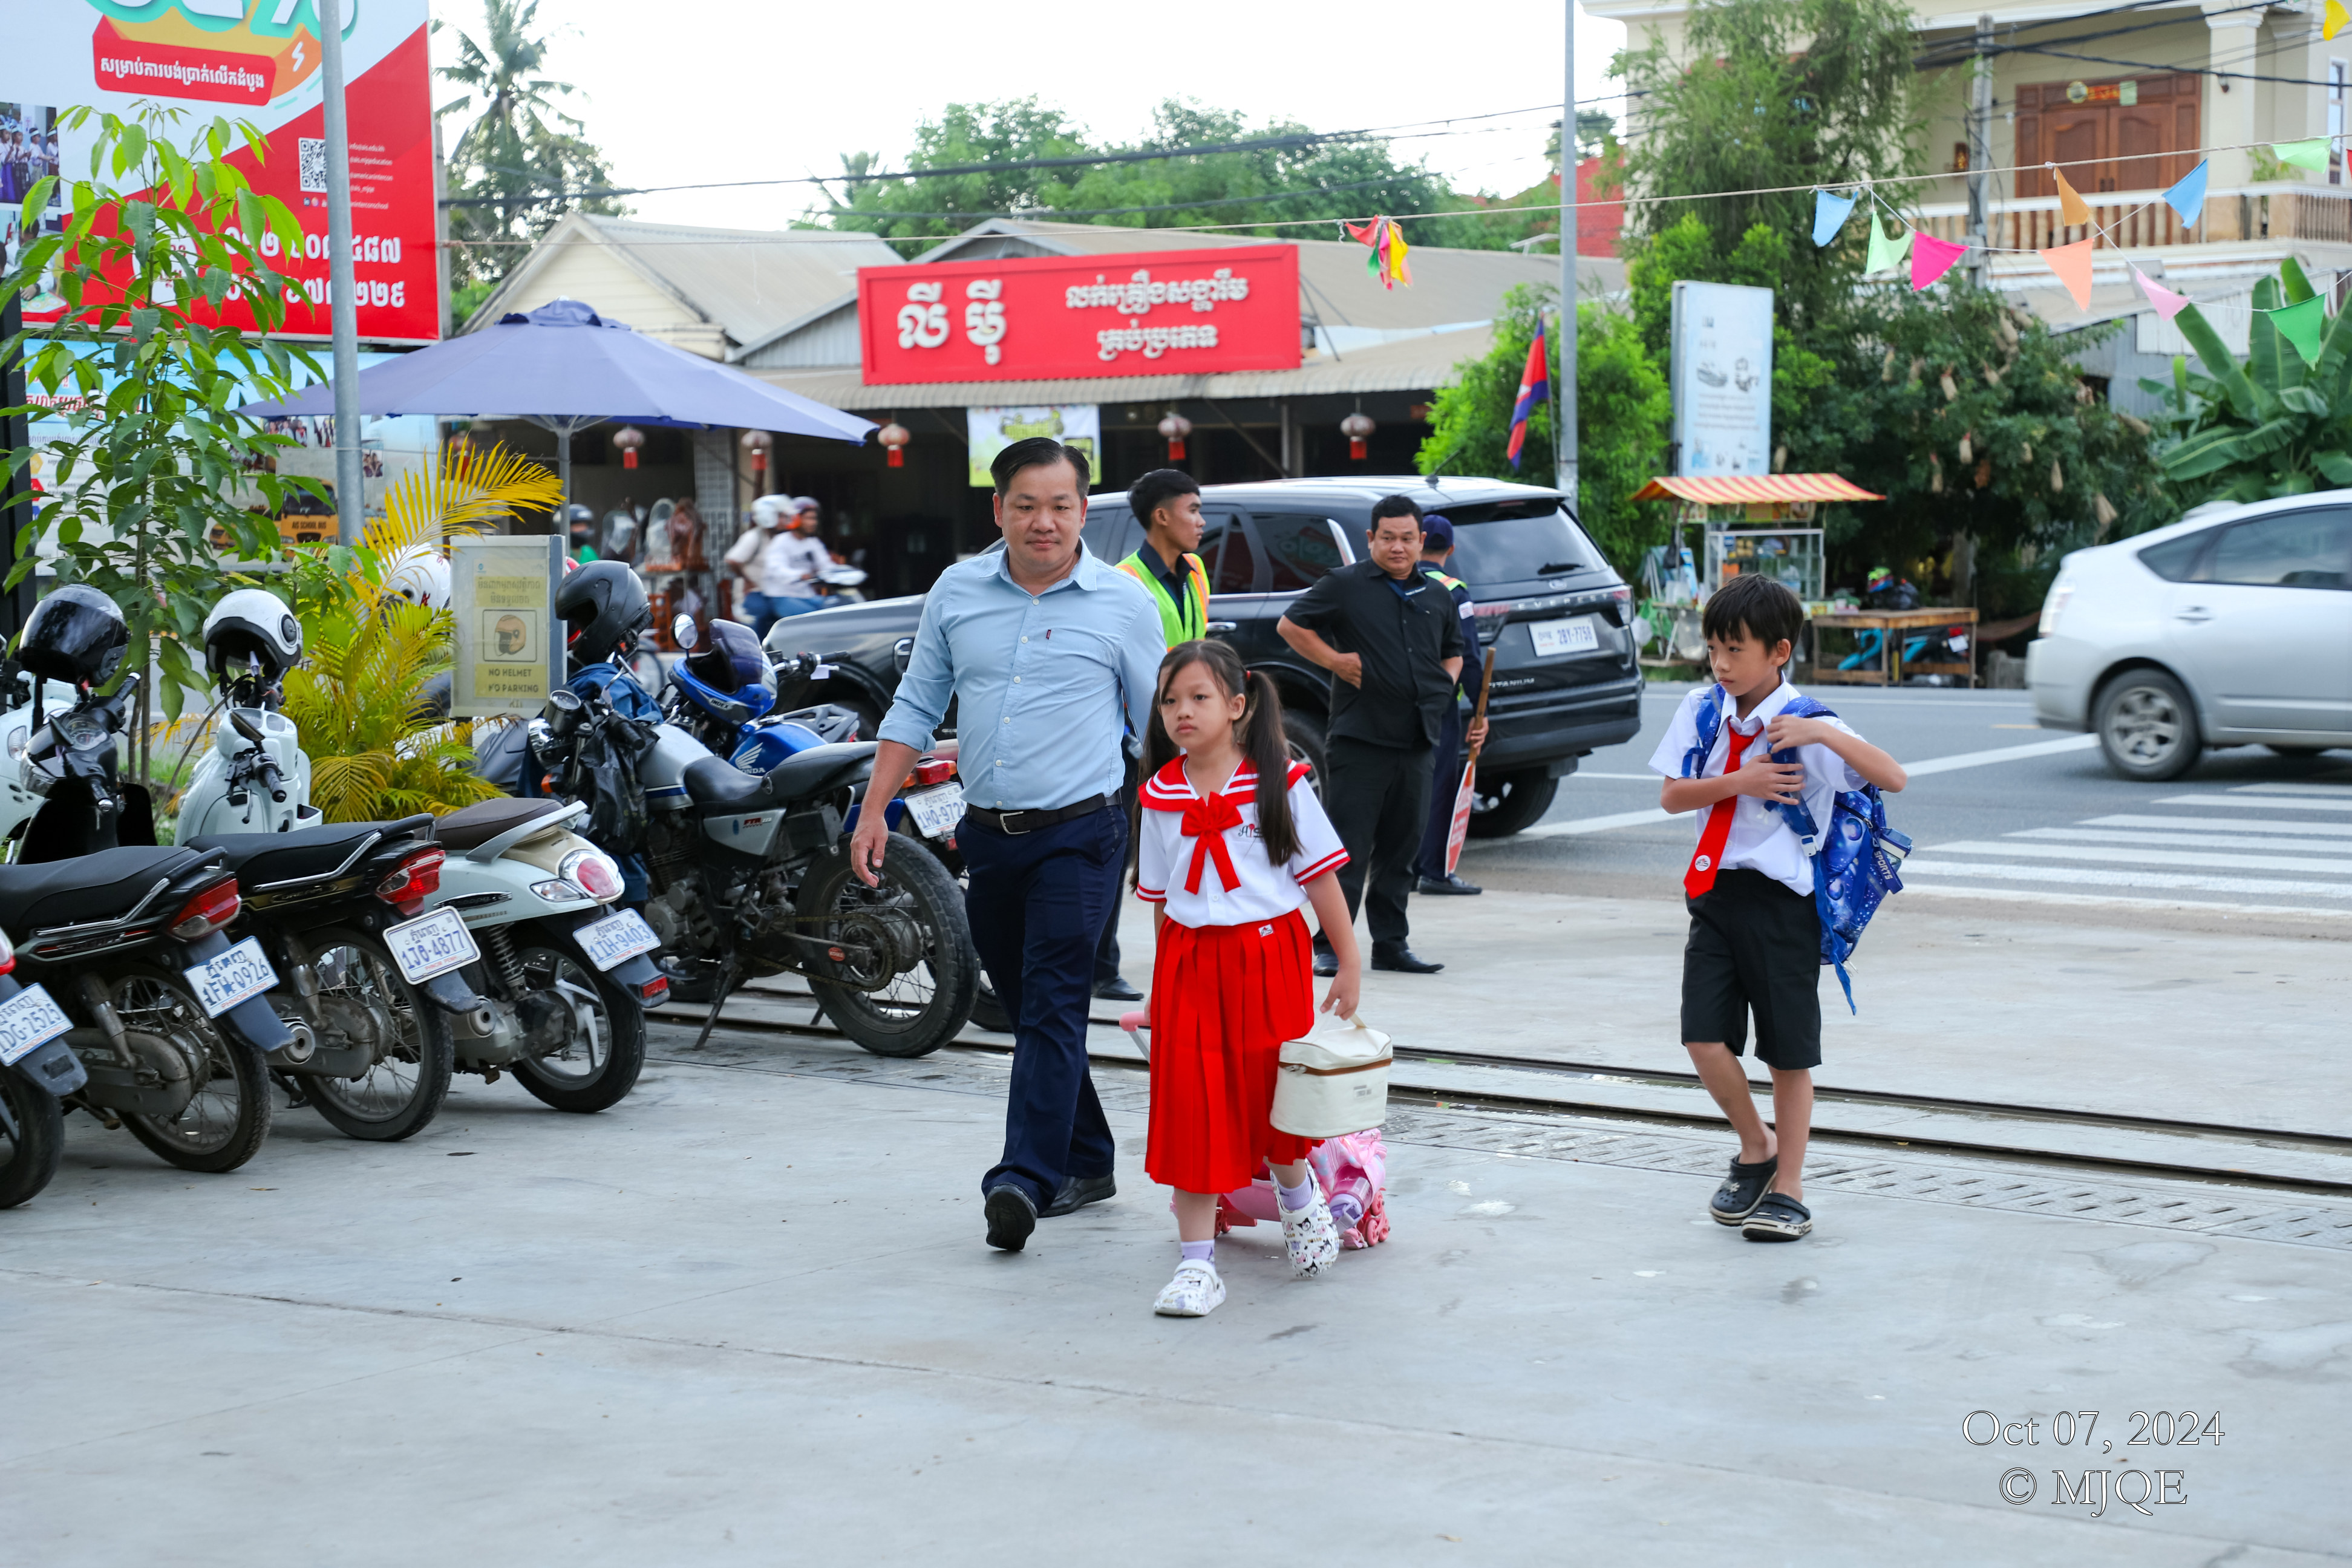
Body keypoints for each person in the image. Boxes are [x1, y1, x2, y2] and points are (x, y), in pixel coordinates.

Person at [849, 437, 1165, 1253]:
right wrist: (874, 810)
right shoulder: (958, 591)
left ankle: (1021, 1178)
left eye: (1061, 506)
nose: (1044, 522)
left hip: (1084, 835)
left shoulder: (1123, 605)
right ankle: (1089, 1159)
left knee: (1055, 997)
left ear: (1084, 513)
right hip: (986, 837)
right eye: (1026, 505)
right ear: (999, 511)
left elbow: (1160, 726)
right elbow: (916, 707)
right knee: (1028, 1011)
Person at [1648, 573, 1906, 1244]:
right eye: (1714, 649)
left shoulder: (1807, 725)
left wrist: (1824, 736)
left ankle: (1790, 1187)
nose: (1723, 664)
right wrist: (1743, 780)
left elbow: (1892, 776)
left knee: (1788, 1055)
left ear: (1779, 651)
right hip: (1713, 895)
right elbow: (1675, 797)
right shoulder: (1704, 710)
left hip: (1785, 905)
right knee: (1702, 1038)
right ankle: (1755, 1146)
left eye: (1736, 650)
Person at [1134, 638, 1361, 1317]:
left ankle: (1299, 1199)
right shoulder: (1158, 794)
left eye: (1199, 697)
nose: (1183, 711)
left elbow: (1320, 876)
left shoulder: (1280, 782)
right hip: (1188, 961)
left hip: (1270, 956)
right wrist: (1159, 985)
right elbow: (1159, 897)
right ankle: (1197, 1267)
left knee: (1274, 1096)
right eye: (1170, 700)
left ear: (1237, 705)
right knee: (1192, 1107)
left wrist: (1349, 960)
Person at [1276, 495, 1483, 977]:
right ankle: (1330, 942)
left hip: (1417, 740)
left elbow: (1454, 651)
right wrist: (1335, 661)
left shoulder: (1435, 595)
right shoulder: (1345, 586)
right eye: (1388, 538)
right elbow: (1291, 625)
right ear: (1371, 539)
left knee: (1402, 848)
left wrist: (1442, 687)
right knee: (1349, 848)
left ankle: (1391, 943)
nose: (1398, 547)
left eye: (1407, 538)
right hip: (1360, 740)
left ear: (1421, 542)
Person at [1093, 466, 1210, 1004]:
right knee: (1119, 851)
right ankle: (1100, 965)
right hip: (1131, 738)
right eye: (1193, 510)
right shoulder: (1124, 581)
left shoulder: (1197, 573)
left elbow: (1199, 652)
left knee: (1187, 848)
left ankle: (1191, 955)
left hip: (1186, 734)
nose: (1201, 522)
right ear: (1161, 516)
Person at [1412, 514, 1486, 897]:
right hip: (1440, 706)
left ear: (1417, 540)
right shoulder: (1454, 590)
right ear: (1451, 549)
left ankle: (1404, 868)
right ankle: (1435, 872)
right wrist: (1481, 710)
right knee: (1440, 787)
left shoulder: (1400, 582)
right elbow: (1469, 657)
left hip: (1398, 702)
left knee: (1405, 785)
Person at [763, 497, 834, 620]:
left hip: (807, 595)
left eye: (815, 519)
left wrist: (843, 572)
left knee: (835, 609)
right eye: (809, 519)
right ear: (795, 519)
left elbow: (826, 565)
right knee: (814, 618)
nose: (814, 523)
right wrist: (800, 575)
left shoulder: (813, 543)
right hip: (783, 596)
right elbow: (776, 568)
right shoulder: (781, 542)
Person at [724, 495, 786, 632]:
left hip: (772, 596)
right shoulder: (753, 537)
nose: (784, 520)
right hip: (753, 598)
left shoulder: (779, 539)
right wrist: (747, 580)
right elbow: (732, 560)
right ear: (769, 516)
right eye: (780, 516)